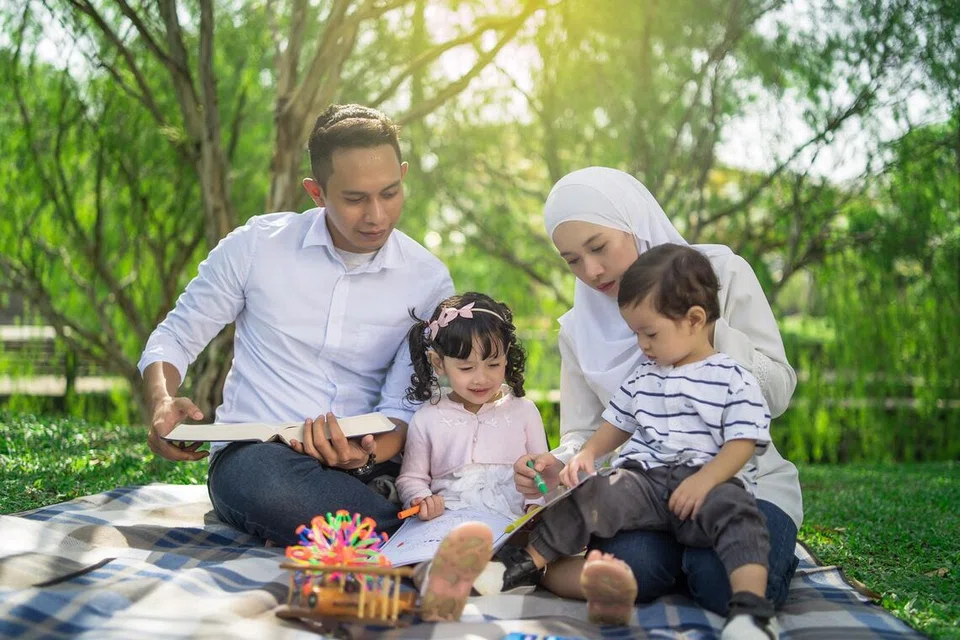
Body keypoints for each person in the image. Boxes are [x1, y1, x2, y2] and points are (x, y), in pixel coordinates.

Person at [138, 104, 454, 547]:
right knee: (267, 484)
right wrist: (162, 401)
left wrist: (363, 456)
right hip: (261, 456)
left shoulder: (428, 279)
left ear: (403, 175)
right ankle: (420, 534)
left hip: (371, 460)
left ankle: (377, 523)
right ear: (316, 192)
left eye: (390, 192)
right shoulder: (255, 248)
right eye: (355, 198)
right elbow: (174, 335)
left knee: (454, 461)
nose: (377, 215)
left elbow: (404, 410)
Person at [513, 167, 802, 617]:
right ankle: (542, 563)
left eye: (598, 246)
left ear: (633, 222)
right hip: (646, 493)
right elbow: (584, 433)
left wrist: (705, 331)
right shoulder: (577, 329)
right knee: (633, 568)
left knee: (721, 581)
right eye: (572, 259)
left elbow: (779, 393)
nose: (590, 271)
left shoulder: (719, 273)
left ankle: (714, 564)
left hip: (742, 483)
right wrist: (561, 462)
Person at [396, 292, 549, 521]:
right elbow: (411, 479)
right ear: (439, 363)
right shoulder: (427, 418)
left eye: (493, 364)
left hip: (513, 522)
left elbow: (542, 472)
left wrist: (535, 506)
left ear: (506, 358)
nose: (481, 378)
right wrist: (422, 499)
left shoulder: (524, 411)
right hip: (450, 521)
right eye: (466, 368)